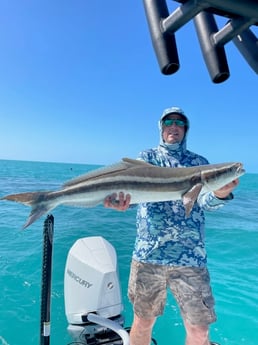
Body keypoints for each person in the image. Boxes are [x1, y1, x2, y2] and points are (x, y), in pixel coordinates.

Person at [104, 106, 239, 345]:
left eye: (179, 123)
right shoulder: (146, 159)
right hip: (149, 254)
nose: (173, 127)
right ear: (161, 128)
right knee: (143, 323)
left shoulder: (200, 163)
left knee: (200, 330)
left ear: (185, 129)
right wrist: (120, 203)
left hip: (191, 259)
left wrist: (220, 193)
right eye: (168, 123)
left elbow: (204, 202)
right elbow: (135, 199)